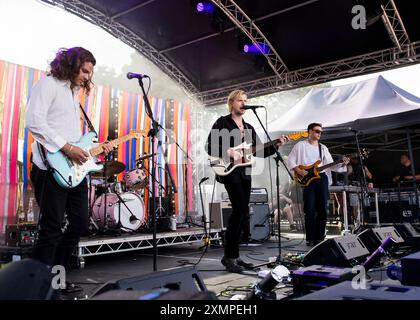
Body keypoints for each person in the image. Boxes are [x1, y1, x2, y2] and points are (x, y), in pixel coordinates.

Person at [25, 47, 113, 294]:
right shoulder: (48, 85)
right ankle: (40, 286)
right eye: (84, 70)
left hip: (73, 169)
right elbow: (34, 121)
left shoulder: (75, 95)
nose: (87, 76)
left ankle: (55, 279)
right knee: (51, 228)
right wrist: (67, 147)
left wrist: (93, 149)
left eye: (90, 72)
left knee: (80, 225)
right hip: (50, 168)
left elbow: (75, 138)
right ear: (71, 65)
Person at [205, 89, 289, 273]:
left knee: (242, 214)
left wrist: (276, 145)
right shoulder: (222, 122)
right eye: (239, 100)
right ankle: (229, 257)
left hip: (245, 172)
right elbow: (209, 145)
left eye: (245, 100)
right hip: (229, 171)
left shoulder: (249, 127)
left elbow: (259, 151)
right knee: (240, 211)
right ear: (231, 103)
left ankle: (233, 256)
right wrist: (227, 150)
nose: (243, 103)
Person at [287, 123, 349, 246]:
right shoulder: (300, 145)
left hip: (322, 178)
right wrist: (299, 171)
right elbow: (290, 160)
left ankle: (320, 238)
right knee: (309, 209)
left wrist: (343, 163)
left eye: (321, 132)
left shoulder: (323, 148)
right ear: (309, 131)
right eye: (316, 131)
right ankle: (310, 238)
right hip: (308, 180)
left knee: (322, 209)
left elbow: (331, 165)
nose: (319, 133)